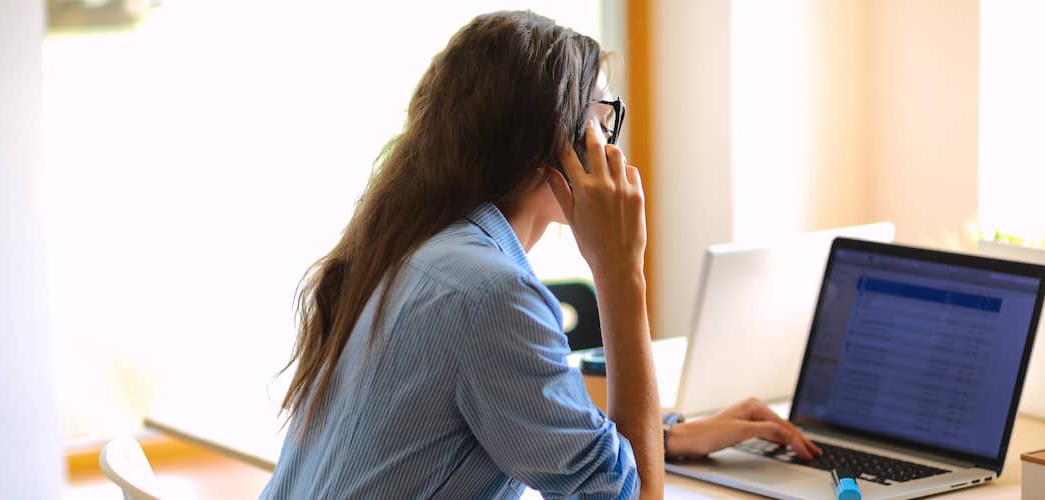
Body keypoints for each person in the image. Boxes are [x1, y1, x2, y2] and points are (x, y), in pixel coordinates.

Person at [260, 10, 819, 499]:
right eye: (604, 117)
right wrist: (622, 273)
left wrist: (662, 439)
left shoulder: (405, 250)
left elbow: (514, 420)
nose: (612, 141)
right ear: (556, 137)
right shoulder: (493, 295)